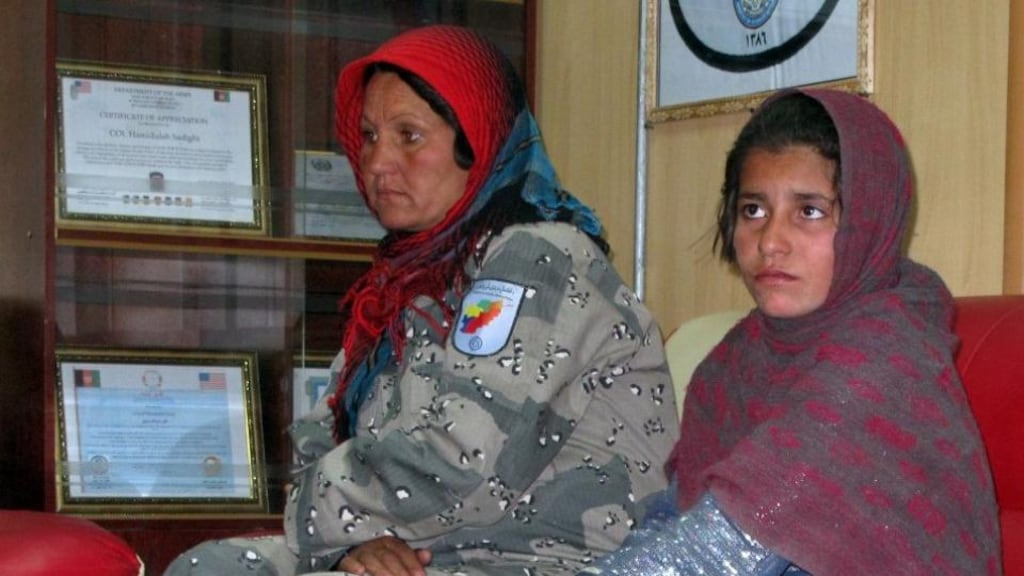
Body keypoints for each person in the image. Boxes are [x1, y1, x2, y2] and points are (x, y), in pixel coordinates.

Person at [164, 25, 678, 576]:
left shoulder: (538, 256)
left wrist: (325, 517)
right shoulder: (407, 280)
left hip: (538, 559)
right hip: (422, 550)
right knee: (210, 567)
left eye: (409, 135)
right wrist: (349, 547)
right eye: (368, 136)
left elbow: (459, 465)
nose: (377, 161)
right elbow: (321, 433)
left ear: (476, 141)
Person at [581, 89, 1002, 575]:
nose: (770, 242)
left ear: (866, 221)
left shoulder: (882, 363)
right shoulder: (734, 362)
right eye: (753, 210)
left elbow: (718, 553)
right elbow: (673, 519)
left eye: (809, 211)